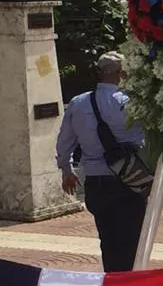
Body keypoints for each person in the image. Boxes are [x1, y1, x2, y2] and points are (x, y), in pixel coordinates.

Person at [55, 51, 148, 272]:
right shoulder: (131, 102)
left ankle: (113, 280)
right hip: (130, 179)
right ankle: (129, 285)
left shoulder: (78, 103)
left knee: (108, 240)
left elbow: (64, 142)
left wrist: (67, 169)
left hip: (96, 182)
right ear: (121, 73)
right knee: (132, 241)